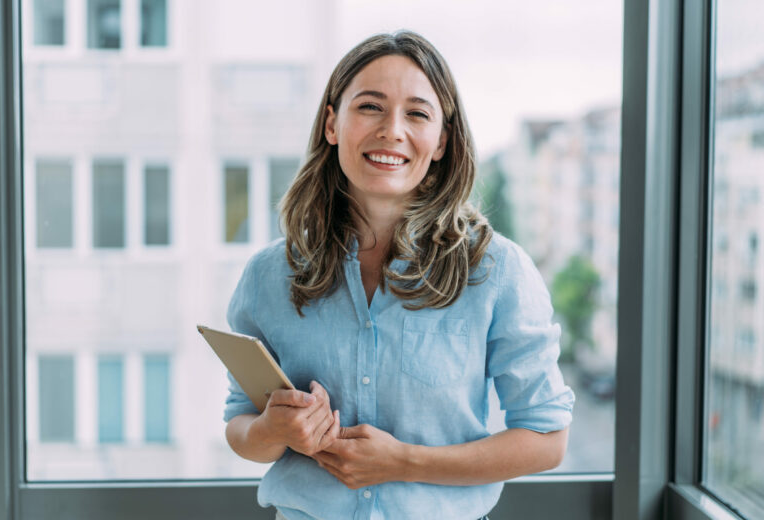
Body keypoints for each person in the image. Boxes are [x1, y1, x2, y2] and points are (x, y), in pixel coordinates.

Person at [223, 30, 575, 520]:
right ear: (331, 123)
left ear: (440, 142)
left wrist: (404, 462)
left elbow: (546, 439)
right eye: (370, 106)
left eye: (417, 113)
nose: (392, 130)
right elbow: (241, 426)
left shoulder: (496, 271)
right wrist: (274, 432)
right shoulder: (269, 274)